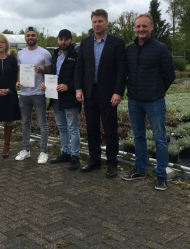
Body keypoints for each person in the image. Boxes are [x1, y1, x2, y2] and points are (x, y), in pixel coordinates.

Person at [122, 13, 175, 191]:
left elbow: (170, 75)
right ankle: (140, 169)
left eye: (144, 26)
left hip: (154, 101)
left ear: (152, 27)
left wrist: (158, 91)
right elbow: (125, 72)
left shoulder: (161, 49)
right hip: (135, 101)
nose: (141, 30)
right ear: (135, 29)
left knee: (160, 138)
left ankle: (161, 175)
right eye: (138, 27)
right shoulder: (129, 49)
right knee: (138, 136)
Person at [74, 9, 126, 178]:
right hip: (89, 92)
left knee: (110, 129)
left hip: (109, 93)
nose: (97, 24)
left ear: (107, 23)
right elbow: (80, 68)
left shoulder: (117, 43)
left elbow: (121, 70)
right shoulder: (85, 43)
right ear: (91, 23)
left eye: (100, 21)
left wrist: (118, 91)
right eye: (94, 21)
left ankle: (112, 162)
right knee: (92, 128)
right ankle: (94, 159)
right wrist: (78, 88)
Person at [41, 29, 82, 170]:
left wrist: (69, 86)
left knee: (72, 128)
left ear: (70, 40)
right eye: (61, 39)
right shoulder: (55, 56)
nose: (63, 42)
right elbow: (52, 74)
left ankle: (75, 156)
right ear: (58, 40)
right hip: (55, 97)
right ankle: (65, 152)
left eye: (66, 39)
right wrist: (46, 84)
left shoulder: (76, 55)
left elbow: (79, 76)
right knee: (62, 127)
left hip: (70, 97)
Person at [15, 26, 52, 164]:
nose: (30, 37)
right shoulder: (21, 53)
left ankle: (43, 151)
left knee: (42, 123)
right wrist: (18, 81)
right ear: (25, 37)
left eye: (33, 35)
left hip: (39, 93)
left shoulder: (45, 53)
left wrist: (40, 70)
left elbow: (49, 73)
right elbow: (19, 70)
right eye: (28, 35)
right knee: (25, 122)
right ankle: (26, 149)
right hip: (24, 93)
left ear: (37, 37)